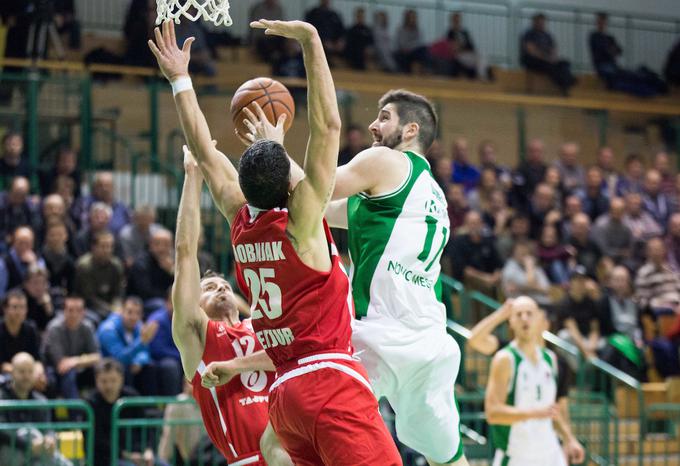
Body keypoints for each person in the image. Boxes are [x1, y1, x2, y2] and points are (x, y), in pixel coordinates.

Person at [148, 19, 400, 465]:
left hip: (284, 399)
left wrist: (180, 80)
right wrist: (311, 41)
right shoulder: (301, 222)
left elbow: (204, 153)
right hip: (328, 379)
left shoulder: (238, 218)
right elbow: (328, 125)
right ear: (289, 183)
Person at [169, 144, 288, 466]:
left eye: (224, 285)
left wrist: (237, 366)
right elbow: (184, 253)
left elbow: (294, 356)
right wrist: (193, 173)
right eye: (208, 287)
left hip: (299, 453)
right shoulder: (197, 336)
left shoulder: (264, 325)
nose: (221, 286)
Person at [485, 297, 584, 466]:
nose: (525, 318)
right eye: (519, 314)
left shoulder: (550, 360)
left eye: (529, 314)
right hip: (517, 456)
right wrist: (534, 413)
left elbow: (551, 410)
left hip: (550, 453)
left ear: (540, 320)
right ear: (511, 322)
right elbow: (493, 413)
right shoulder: (505, 359)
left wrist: (569, 438)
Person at [87, 358, 166, 466]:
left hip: (138, 454)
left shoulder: (131, 398)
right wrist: (126, 455)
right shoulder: (91, 404)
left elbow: (145, 428)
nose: (109, 386)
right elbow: (98, 442)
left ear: (121, 379)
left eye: (113, 380)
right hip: (106, 459)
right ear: (96, 381)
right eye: (104, 381)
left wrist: (148, 450)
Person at [0, 352, 73, 466]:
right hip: (9, 452)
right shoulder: (2, 398)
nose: (26, 376)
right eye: (22, 371)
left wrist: (50, 438)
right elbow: (3, 432)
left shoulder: (40, 400)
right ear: (12, 373)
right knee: (28, 433)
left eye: (30, 371)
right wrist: (28, 444)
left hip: (37, 454)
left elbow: (47, 427)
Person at [589, 12, 667, 97]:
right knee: (623, 77)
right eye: (599, 21)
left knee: (629, 76)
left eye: (603, 21)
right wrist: (610, 49)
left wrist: (610, 49)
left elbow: (619, 51)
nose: (601, 23)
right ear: (597, 22)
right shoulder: (594, 36)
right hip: (604, 67)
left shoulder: (609, 37)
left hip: (613, 66)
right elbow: (603, 50)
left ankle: (652, 87)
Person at [96, 296, 162, 395]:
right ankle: (126, 407)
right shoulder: (108, 330)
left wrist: (139, 361)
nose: (134, 317)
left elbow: (145, 351)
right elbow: (119, 357)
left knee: (150, 367)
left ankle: (150, 407)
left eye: (137, 313)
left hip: (130, 363)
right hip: (108, 365)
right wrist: (141, 342)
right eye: (130, 312)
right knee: (124, 369)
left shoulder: (138, 325)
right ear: (121, 311)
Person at [42, 295, 100, 399]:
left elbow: (97, 357)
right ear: (64, 311)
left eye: (79, 310)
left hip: (78, 367)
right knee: (69, 374)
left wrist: (76, 361)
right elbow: (61, 364)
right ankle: (76, 412)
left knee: (100, 371)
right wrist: (84, 360)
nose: (74, 314)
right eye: (70, 310)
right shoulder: (54, 328)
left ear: (84, 312)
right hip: (53, 370)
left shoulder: (87, 327)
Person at [73, 231, 125, 320]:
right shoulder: (85, 266)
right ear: (94, 248)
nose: (107, 250)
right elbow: (89, 297)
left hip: (110, 305)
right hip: (88, 306)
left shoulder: (116, 265)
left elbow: (119, 292)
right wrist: (111, 310)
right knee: (100, 317)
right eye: (103, 246)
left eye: (110, 246)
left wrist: (117, 306)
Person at [520, 13, 576, 94]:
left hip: (547, 60)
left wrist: (553, 58)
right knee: (550, 66)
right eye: (539, 22)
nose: (542, 24)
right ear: (534, 22)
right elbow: (532, 51)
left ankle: (567, 81)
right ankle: (566, 83)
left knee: (565, 63)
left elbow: (553, 49)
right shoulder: (529, 34)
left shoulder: (547, 35)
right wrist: (547, 58)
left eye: (543, 22)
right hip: (532, 60)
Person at [0, 289, 40, 373]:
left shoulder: (31, 329)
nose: (19, 312)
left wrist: (38, 373)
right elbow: (2, 365)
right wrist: (22, 373)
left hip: (27, 373)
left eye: (22, 307)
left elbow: (37, 359)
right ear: (5, 309)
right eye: (14, 307)